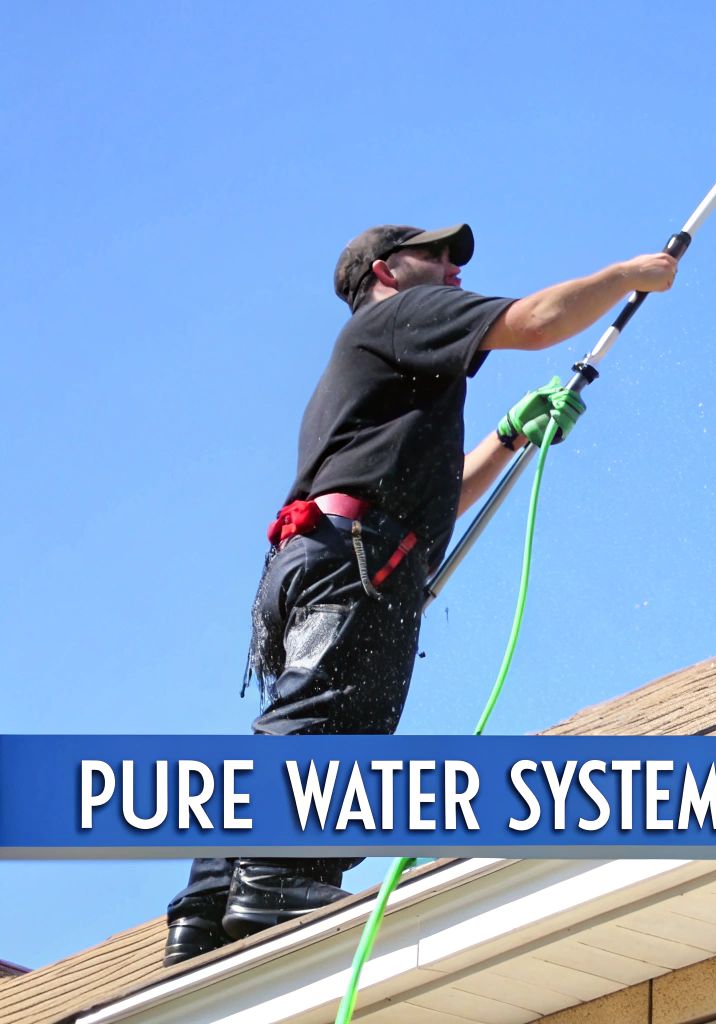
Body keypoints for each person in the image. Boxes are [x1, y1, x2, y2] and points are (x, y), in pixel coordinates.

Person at [163, 223, 677, 967]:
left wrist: (509, 434)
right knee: (329, 715)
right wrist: (627, 274)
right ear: (385, 272)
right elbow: (537, 322)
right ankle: (271, 877)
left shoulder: (379, 363)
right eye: (433, 256)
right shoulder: (401, 313)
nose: (451, 270)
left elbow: (430, 499)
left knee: (300, 714)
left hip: (330, 550)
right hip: (355, 557)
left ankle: (206, 909)